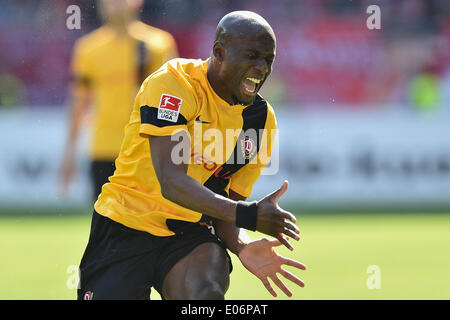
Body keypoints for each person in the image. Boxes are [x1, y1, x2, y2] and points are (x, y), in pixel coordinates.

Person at [77, 10, 306, 300]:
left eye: (268, 59)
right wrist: (248, 215)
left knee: (203, 295)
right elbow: (171, 181)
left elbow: (225, 206)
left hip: (189, 235)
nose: (261, 68)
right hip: (125, 225)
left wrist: (242, 245)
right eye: (252, 56)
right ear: (219, 52)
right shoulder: (174, 82)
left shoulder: (260, 121)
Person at [60, 0, 178, 200]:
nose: (114, 4)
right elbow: (79, 102)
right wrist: (69, 154)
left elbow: (174, 98)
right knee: (105, 225)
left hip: (145, 151)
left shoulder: (159, 44)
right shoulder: (88, 48)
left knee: (147, 224)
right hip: (103, 149)